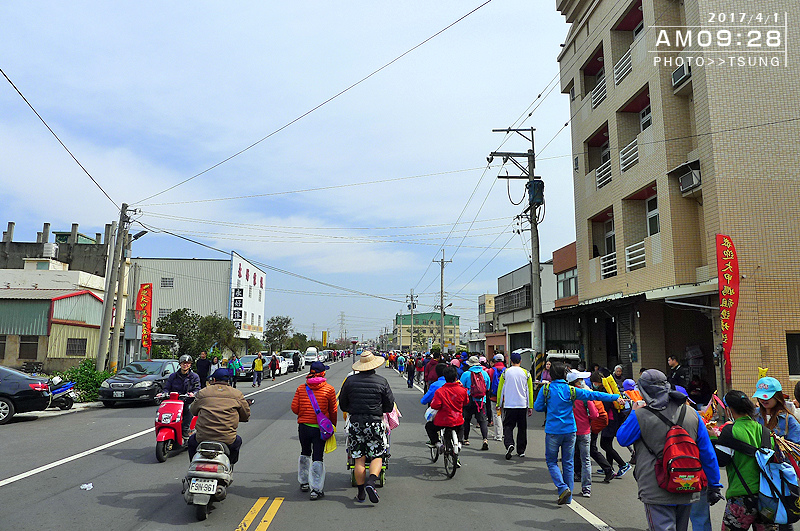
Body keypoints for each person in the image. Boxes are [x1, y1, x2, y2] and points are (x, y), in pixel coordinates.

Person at [616, 369, 722, 531]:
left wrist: (633, 412)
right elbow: (707, 453)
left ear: (643, 391)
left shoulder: (640, 415)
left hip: (655, 488)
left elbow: (623, 439)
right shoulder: (692, 414)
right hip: (687, 483)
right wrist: (714, 484)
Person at [534, 361, 622, 505]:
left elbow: (538, 407)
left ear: (551, 374)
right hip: (570, 430)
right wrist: (614, 397)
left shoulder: (547, 389)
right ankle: (568, 498)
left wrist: (548, 405)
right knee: (569, 463)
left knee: (551, 461)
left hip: (553, 431)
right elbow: (593, 395)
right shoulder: (572, 390)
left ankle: (562, 488)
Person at [712, 390, 778, 531]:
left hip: (741, 496)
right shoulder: (765, 431)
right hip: (767, 497)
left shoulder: (730, 431)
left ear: (729, 410)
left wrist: (713, 438)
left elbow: (721, 460)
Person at [339, 351, 395, 504]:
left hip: (356, 422)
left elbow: (342, 404)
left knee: (358, 458)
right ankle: (371, 482)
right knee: (377, 455)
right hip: (375, 422)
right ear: (374, 365)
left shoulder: (349, 381)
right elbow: (389, 405)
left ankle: (361, 493)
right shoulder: (382, 381)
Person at [291, 361, 337, 500]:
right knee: (318, 456)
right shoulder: (329, 389)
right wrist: (332, 425)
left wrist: (305, 413)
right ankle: (316, 489)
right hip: (319, 429)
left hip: (304, 427)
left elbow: (294, 408)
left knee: (305, 452)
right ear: (323, 373)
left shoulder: (301, 388)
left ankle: (304, 482)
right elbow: (333, 410)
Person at [188, 368, 250, 466]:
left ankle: (193, 464)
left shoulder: (203, 392)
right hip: (227, 438)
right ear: (228, 381)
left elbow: (193, 410)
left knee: (191, 441)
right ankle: (229, 464)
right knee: (237, 441)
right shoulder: (237, 394)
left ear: (214, 380)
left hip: (203, 437)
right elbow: (245, 416)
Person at [589, 371, 631, 478]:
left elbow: (605, 408)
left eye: (594, 382)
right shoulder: (608, 388)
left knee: (605, 444)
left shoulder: (605, 391)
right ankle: (609, 467)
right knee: (608, 444)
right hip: (613, 419)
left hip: (610, 420)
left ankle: (623, 464)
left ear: (597, 382)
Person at [496, 351, 534, 460]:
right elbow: (529, 391)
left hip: (509, 404)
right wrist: (530, 406)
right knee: (522, 428)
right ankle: (521, 450)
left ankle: (509, 444)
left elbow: (500, 390)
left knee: (508, 426)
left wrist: (499, 403)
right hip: (522, 405)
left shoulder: (505, 373)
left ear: (510, 361)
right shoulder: (526, 373)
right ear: (520, 361)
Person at [427, 365, 469, 462]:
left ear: (444, 377)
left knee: (429, 426)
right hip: (457, 419)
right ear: (455, 377)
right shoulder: (462, 390)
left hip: (442, 421)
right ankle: (459, 443)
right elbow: (466, 402)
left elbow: (435, 405)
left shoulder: (440, 391)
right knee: (461, 427)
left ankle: (437, 444)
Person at [569, 369, 599, 498]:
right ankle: (586, 488)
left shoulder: (566, 394)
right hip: (585, 430)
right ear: (577, 381)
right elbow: (594, 414)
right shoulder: (585, 394)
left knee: (568, 459)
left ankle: (566, 487)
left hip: (569, 430)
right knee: (585, 460)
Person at [164, 354, 201, 438]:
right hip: (174, 402)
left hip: (187, 401)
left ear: (190, 364)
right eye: (183, 363)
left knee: (189, 409)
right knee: (160, 409)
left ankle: (185, 429)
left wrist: (193, 394)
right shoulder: (173, 376)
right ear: (180, 364)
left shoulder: (194, 376)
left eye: (187, 363)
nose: (185, 365)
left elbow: (197, 388)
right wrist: (163, 393)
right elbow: (166, 388)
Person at [753, 376, 800, 442]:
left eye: (767, 396)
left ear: (777, 396)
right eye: (761, 396)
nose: (763, 399)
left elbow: (796, 444)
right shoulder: (752, 416)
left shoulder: (788, 419)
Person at [460, 355, 491, 451]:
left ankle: (466, 439)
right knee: (482, 421)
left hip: (469, 399)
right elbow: (488, 387)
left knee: (467, 420)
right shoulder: (484, 374)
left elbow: (461, 386)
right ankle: (485, 440)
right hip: (481, 400)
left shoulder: (466, 374)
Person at [487, 353, 507, 441]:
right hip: (505, 397)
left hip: (494, 397)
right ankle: (505, 433)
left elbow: (488, 383)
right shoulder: (507, 370)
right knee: (504, 415)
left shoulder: (491, 371)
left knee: (496, 414)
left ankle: (498, 434)